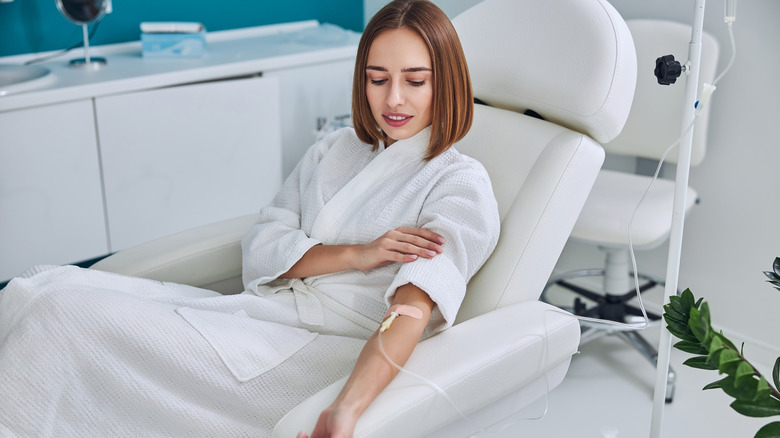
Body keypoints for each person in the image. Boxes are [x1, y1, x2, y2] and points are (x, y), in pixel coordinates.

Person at [0, 1, 499, 436]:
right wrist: (358, 254)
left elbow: (409, 313)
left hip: (328, 355)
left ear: (446, 81)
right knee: (38, 288)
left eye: (415, 81)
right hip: (265, 316)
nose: (393, 99)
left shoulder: (458, 185)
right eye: (377, 79)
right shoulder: (337, 148)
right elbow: (262, 243)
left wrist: (345, 408)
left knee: (61, 318)